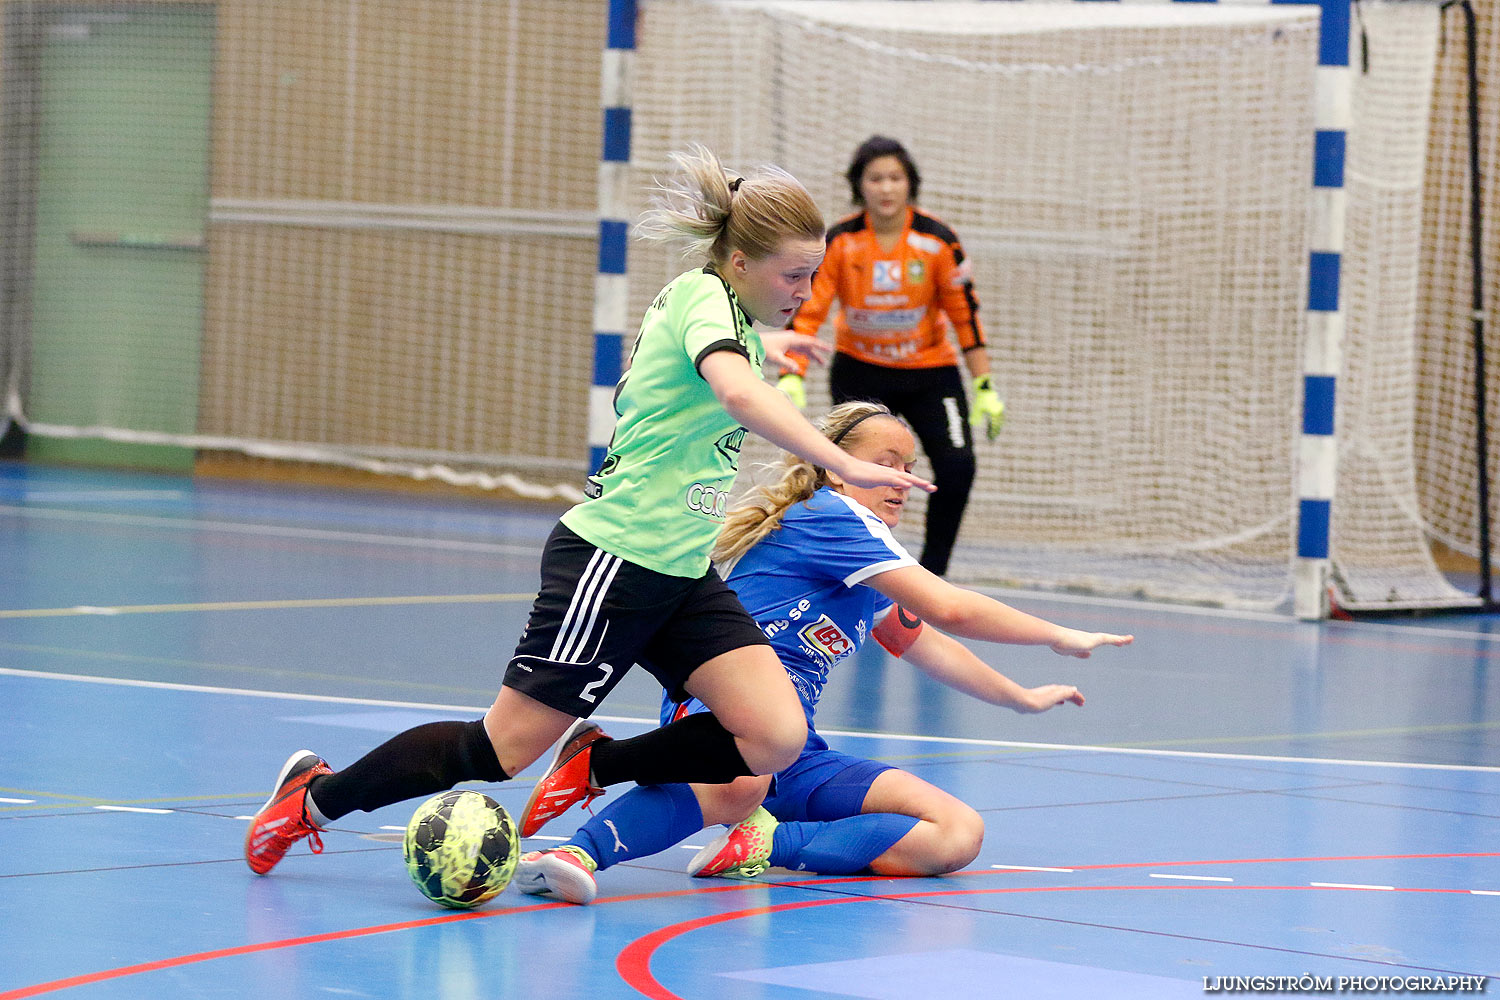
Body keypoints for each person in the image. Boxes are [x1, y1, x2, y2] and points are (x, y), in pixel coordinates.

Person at [243, 146, 937, 877]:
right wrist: (842, 461)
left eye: (813, 275)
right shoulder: (703, 300)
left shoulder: (728, 313)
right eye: (793, 275)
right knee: (500, 751)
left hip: (679, 573)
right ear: (738, 262)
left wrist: (774, 338)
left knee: (773, 738)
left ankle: (600, 763)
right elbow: (734, 392)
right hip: (615, 562)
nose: (805, 289)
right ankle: (313, 800)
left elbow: (723, 366)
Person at [512, 402, 1133, 904]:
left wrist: (1020, 698)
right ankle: (574, 854)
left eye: (910, 466)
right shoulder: (826, 515)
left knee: (957, 834)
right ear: (835, 467)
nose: (904, 480)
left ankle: (765, 844)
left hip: (795, 751)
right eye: (887, 463)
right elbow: (952, 608)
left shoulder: (865, 560)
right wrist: (1057, 634)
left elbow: (920, 638)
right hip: (723, 728)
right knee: (738, 785)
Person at [780, 135, 1002, 577]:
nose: (885, 188)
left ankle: (931, 577)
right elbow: (810, 309)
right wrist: (792, 373)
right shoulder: (840, 241)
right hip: (861, 373)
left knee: (958, 467)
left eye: (895, 178)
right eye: (875, 178)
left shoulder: (937, 241)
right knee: (850, 474)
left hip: (930, 374)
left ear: (910, 184)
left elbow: (965, 316)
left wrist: (984, 384)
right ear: (859, 185)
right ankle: (862, 564)